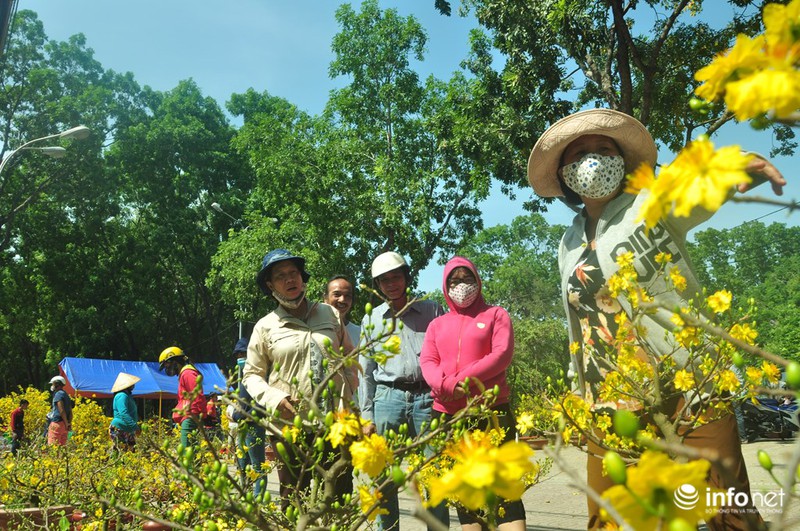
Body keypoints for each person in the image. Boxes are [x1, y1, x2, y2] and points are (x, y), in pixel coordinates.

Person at [527, 108, 785, 530]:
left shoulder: (651, 203)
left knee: (729, 513)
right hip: (610, 404)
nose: (593, 160)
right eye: (580, 154)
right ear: (565, 174)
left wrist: (740, 165)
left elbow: (699, 188)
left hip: (690, 385)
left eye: (603, 149)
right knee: (609, 520)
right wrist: (578, 393)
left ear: (622, 161)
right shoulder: (567, 243)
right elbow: (579, 325)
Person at [242, 248, 357, 511]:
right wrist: (275, 397)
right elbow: (251, 374)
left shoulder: (330, 314)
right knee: (295, 502)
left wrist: (347, 397)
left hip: (334, 427)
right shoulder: (265, 326)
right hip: (289, 430)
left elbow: (350, 358)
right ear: (270, 285)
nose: (289, 279)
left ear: (302, 277)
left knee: (338, 499)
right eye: (281, 275)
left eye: (293, 272)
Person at [420, 256, 526, 530]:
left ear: (478, 281)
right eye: (454, 281)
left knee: (504, 489)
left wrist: (459, 381)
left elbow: (501, 355)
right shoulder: (437, 324)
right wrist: (445, 386)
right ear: (445, 286)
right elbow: (428, 362)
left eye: (467, 279)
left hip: (491, 412)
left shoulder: (496, 315)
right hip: (449, 415)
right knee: (468, 496)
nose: (462, 286)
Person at [359, 251, 449, 530]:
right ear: (378, 285)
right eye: (384, 280)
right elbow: (365, 371)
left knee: (434, 476)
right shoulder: (371, 319)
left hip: (428, 398)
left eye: (395, 276)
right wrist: (366, 415)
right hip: (388, 399)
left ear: (406, 277)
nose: (391, 283)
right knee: (384, 480)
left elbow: (447, 357)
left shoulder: (432, 310)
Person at [228, 336, 268, 497]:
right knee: (242, 461)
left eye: (243, 354)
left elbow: (260, 401)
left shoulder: (259, 372)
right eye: (237, 355)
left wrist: (249, 415)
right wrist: (236, 413)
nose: (240, 358)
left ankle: (260, 498)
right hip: (242, 423)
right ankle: (243, 492)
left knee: (258, 464)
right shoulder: (242, 374)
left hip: (253, 423)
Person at [158, 346, 208, 448]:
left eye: (167, 365)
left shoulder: (187, 373)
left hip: (190, 417)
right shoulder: (184, 374)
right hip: (188, 417)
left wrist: (199, 416)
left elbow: (197, 395)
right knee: (191, 453)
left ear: (175, 361)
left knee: (187, 453)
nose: (167, 368)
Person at [323, 274, 361, 347]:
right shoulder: (314, 330)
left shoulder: (360, 333)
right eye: (337, 295)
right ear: (325, 298)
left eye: (347, 296)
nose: (342, 300)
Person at [109, 372, 141, 451]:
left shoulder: (126, 396)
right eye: (132, 384)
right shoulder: (122, 395)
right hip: (120, 428)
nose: (133, 386)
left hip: (127, 429)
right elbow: (123, 413)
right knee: (120, 453)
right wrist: (135, 427)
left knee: (130, 454)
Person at [47, 375, 73, 446]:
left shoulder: (58, 394)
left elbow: (61, 410)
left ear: (57, 384)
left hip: (57, 423)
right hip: (64, 425)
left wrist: (66, 422)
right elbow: (70, 411)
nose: (52, 385)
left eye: (53, 384)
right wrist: (68, 423)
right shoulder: (66, 395)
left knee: (53, 446)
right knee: (62, 447)